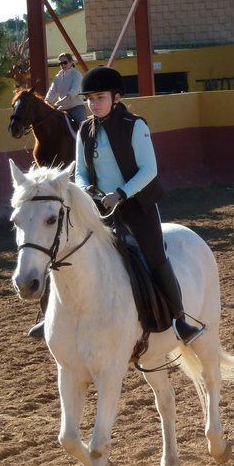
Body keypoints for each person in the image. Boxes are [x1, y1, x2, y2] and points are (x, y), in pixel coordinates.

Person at [28, 66, 205, 344]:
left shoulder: (136, 126)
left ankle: (180, 319)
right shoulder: (85, 129)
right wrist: (86, 189)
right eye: (89, 98)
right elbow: (81, 169)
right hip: (98, 206)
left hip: (137, 206)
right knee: (61, 250)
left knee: (155, 256)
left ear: (116, 97)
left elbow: (149, 171)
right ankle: (46, 316)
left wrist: (121, 194)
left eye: (100, 97)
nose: (93, 104)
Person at [45, 53, 87, 124]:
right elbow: (51, 93)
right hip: (62, 109)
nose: (62, 65)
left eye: (65, 62)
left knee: (83, 127)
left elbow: (73, 93)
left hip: (76, 107)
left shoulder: (77, 75)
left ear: (71, 62)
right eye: (60, 63)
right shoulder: (57, 77)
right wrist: (46, 103)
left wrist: (58, 103)